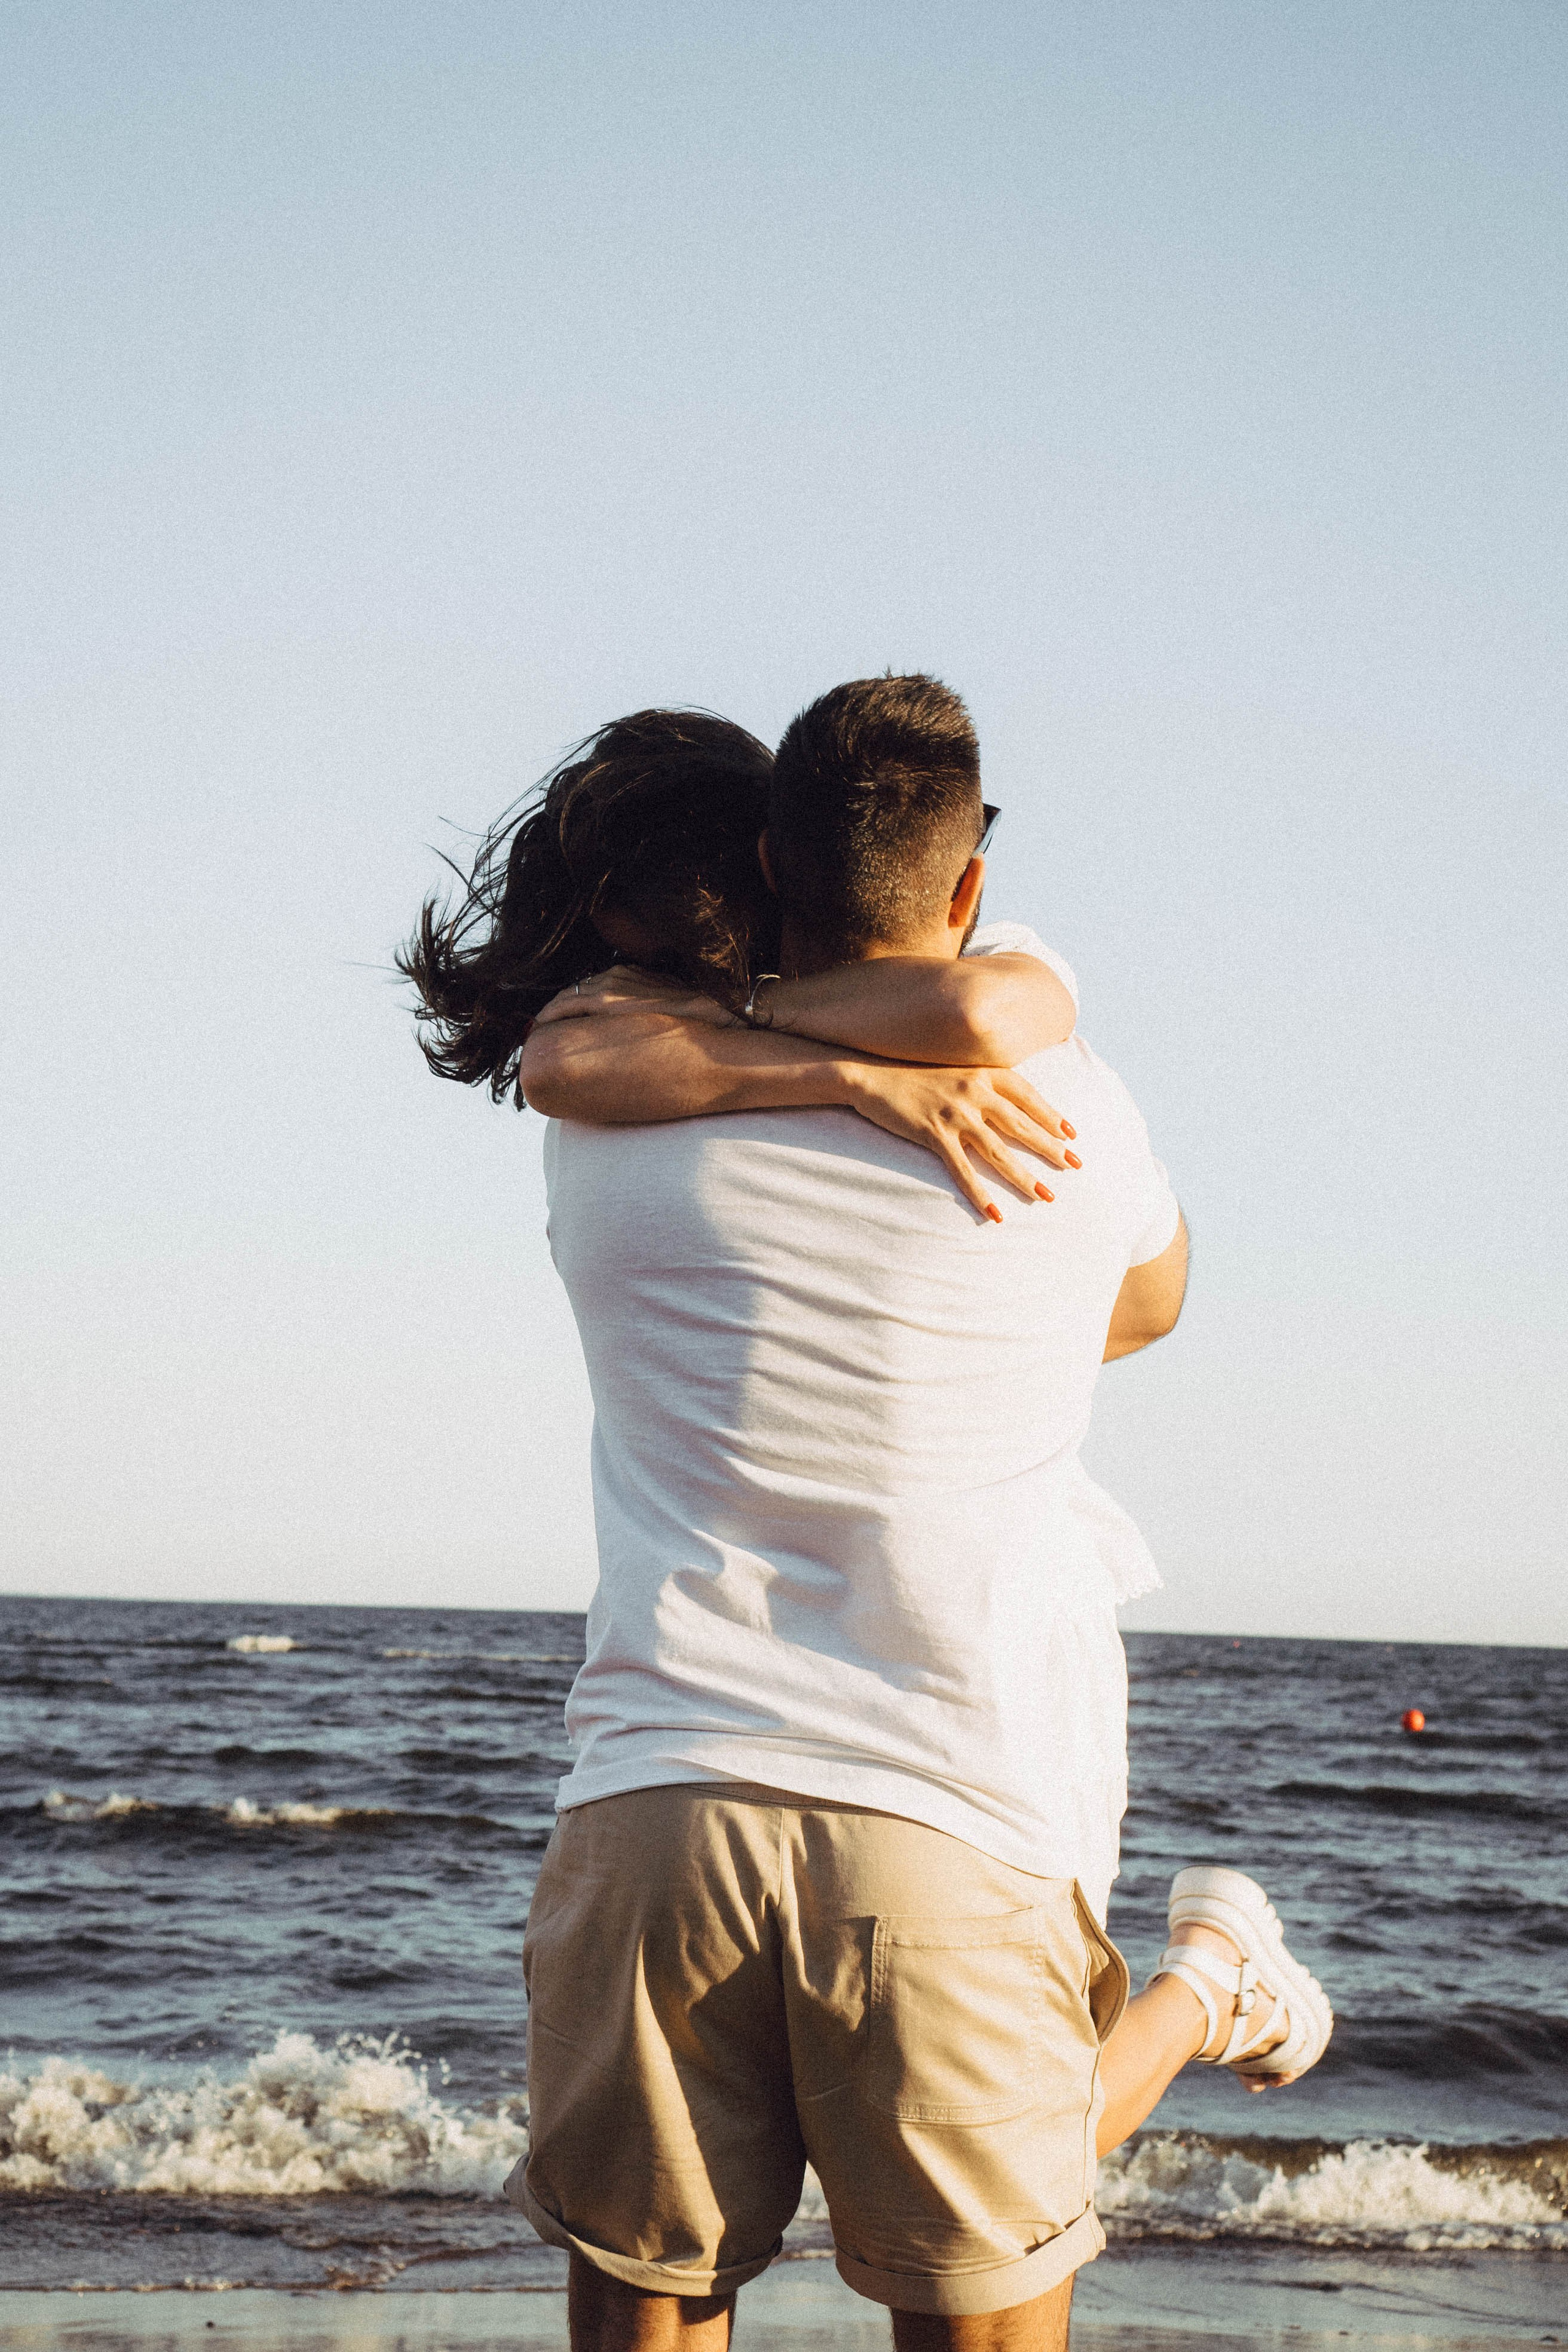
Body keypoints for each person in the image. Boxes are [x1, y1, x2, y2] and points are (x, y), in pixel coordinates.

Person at [405, 680, 1332, 2352]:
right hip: (953, 1805)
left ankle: (1210, 1983)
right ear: (968, 886)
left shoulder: (611, 1107)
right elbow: (1153, 1303)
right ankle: (1205, 1990)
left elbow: (569, 1046)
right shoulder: (1072, 1103)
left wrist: (809, 1065)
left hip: (657, 1803)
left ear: (765, 866)